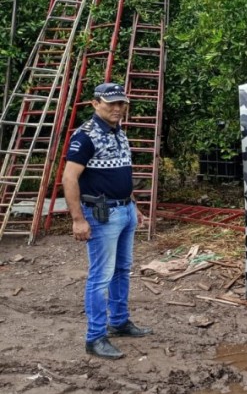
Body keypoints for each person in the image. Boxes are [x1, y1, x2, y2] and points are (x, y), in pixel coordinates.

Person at [63, 82, 152, 360]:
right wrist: (78, 219)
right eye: (111, 103)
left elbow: (123, 171)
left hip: (124, 210)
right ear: (95, 104)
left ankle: (120, 321)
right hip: (102, 214)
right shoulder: (85, 136)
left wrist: (134, 204)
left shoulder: (119, 133)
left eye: (121, 103)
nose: (117, 108)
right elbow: (69, 178)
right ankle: (95, 337)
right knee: (100, 276)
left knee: (122, 269)